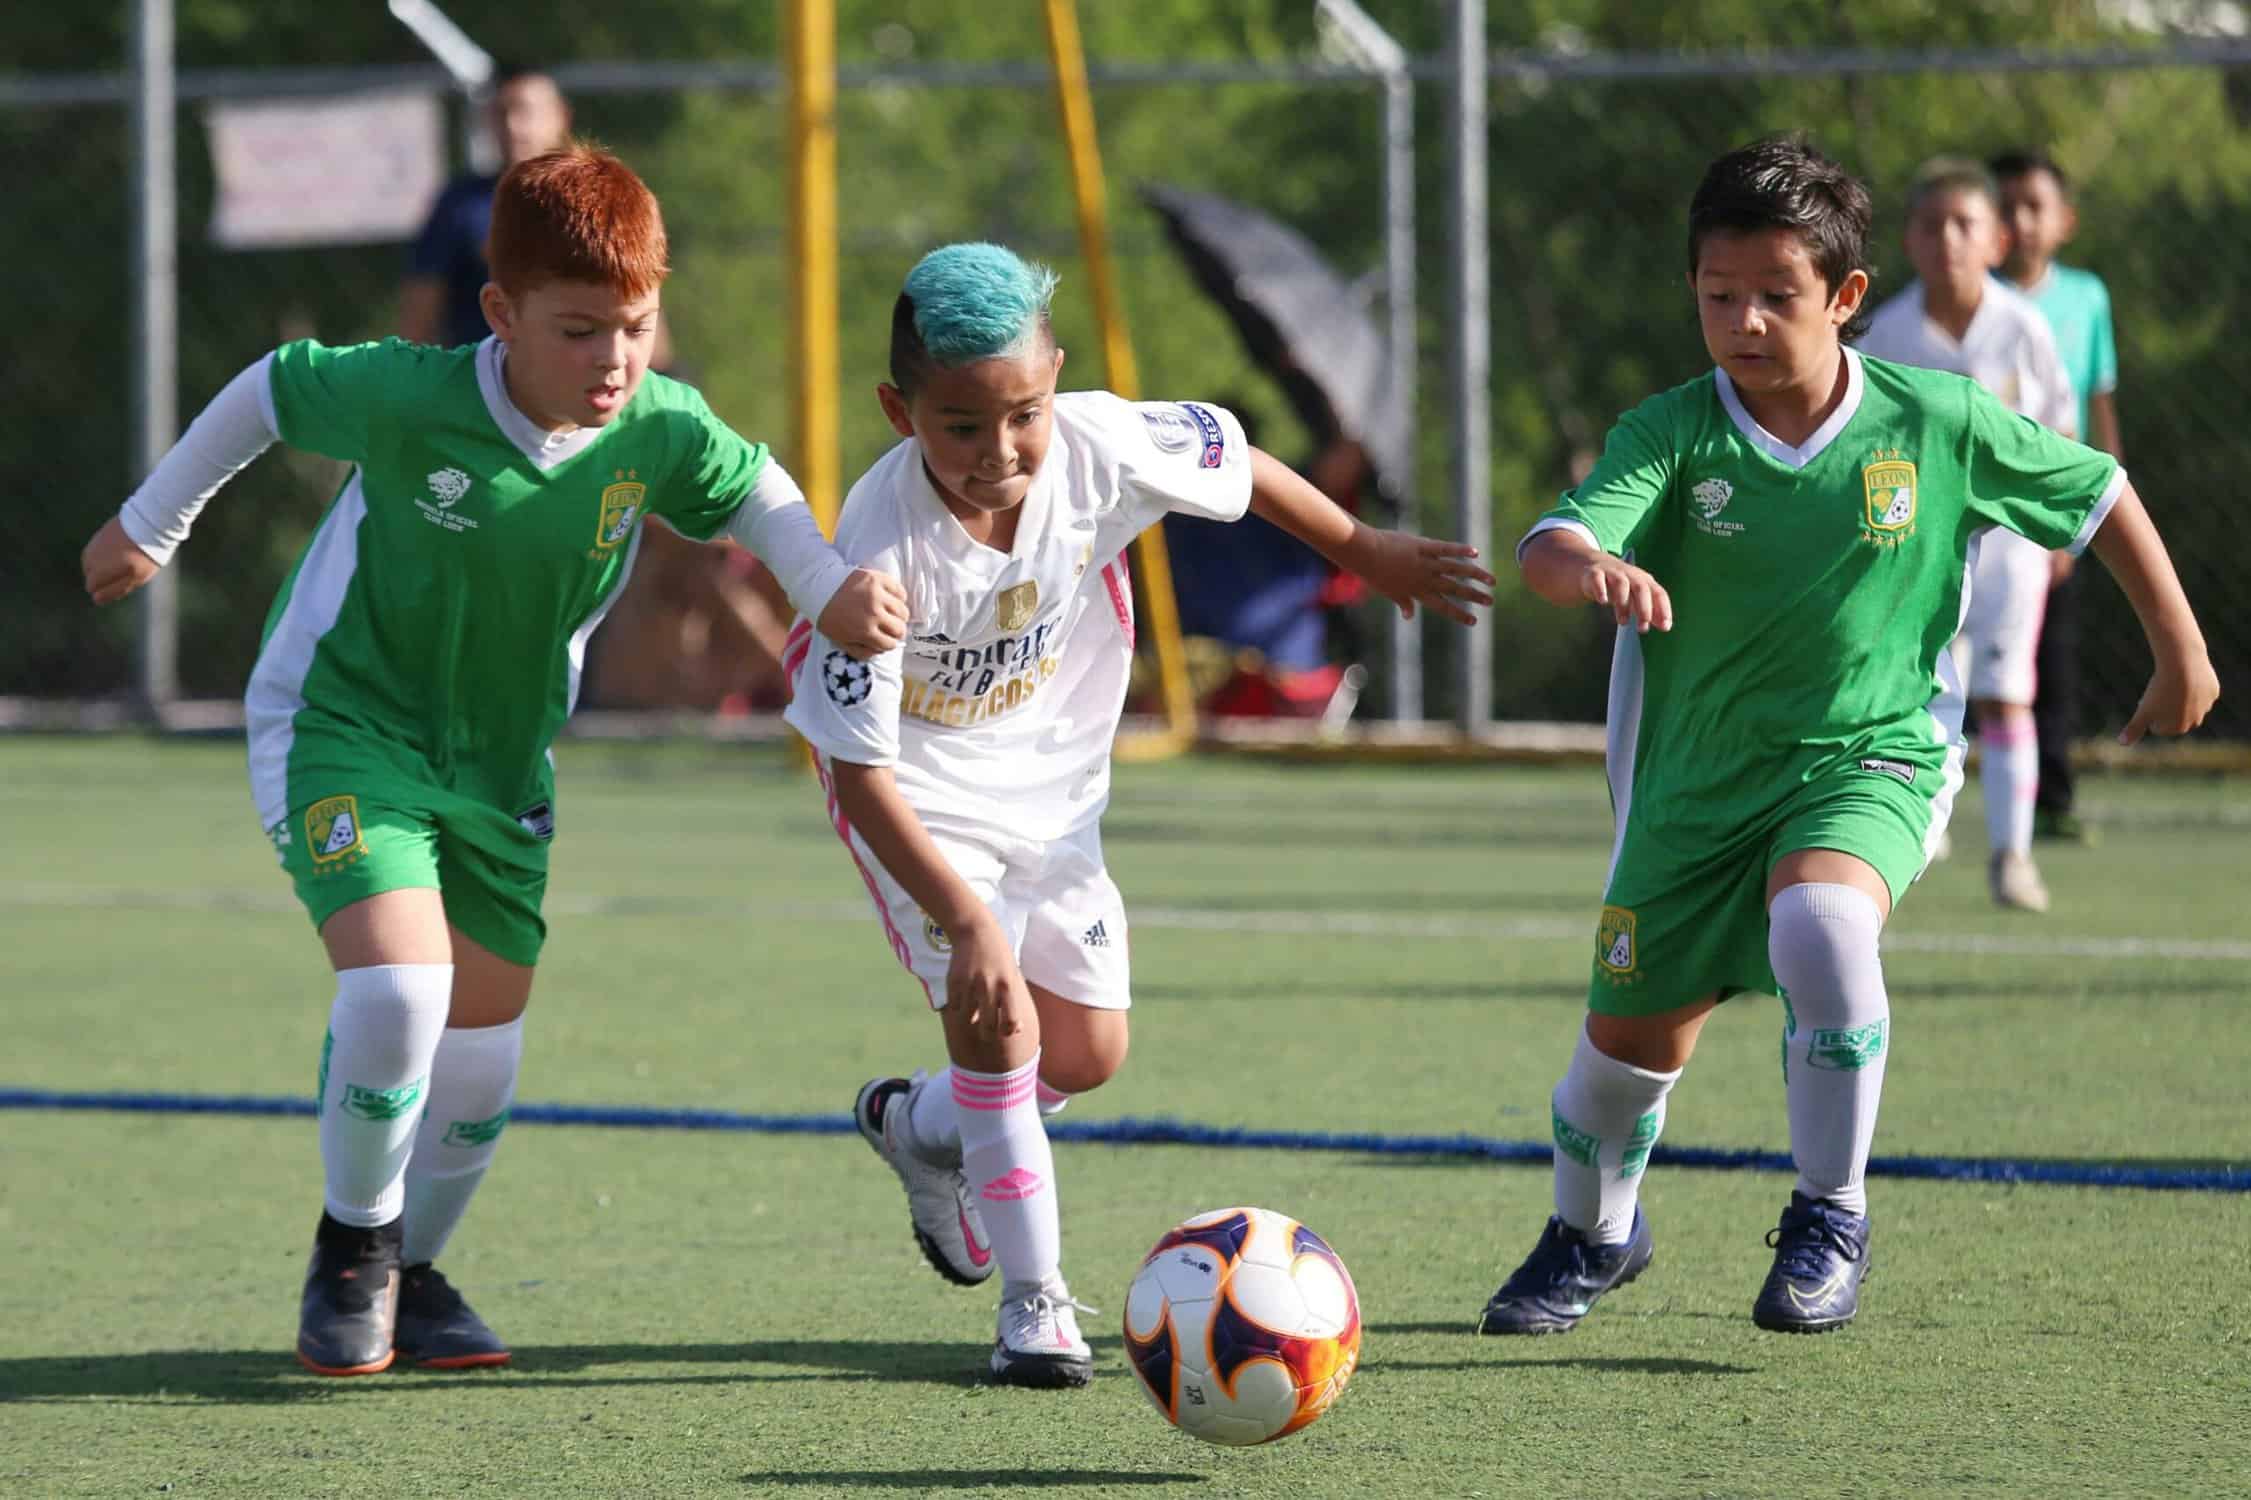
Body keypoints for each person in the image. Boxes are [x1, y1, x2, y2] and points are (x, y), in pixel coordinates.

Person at [78, 144, 910, 1376]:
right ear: (500, 314)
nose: (614, 361)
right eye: (578, 332)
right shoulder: (407, 395)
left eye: (634, 328)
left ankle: (410, 1278)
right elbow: (267, 388)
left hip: (502, 768)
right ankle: (354, 1250)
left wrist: (828, 583)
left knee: (481, 1054)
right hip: (342, 727)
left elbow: (756, 493)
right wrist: (151, 521)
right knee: (399, 995)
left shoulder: (658, 427)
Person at [1478, 136, 2214, 1340]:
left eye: (1776, 295)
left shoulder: (1936, 421)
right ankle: (1593, 1235)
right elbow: (1551, 547)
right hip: (1690, 791)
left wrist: (2178, 647)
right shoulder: (1669, 433)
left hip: (1869, 758)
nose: (1744, 322)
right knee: (1615, 1072)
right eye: (1720, 296)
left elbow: (2100, 493)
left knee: (1821, 923)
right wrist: (1589, 566)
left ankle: (1830, 1214)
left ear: (1846, 298)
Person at [783, 243, 1491, 1386]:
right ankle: (1034, 1309)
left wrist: (1362, 547)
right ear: (896, 410)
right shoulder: (877, 546)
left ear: (1055, 378)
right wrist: (963, 920)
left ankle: (918, 1129)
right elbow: (859, 774)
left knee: (1091, 1050)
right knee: (1003, 1032)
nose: (997, 452)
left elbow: (1243, 461)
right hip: (918, 792)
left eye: (1022, 414)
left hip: (1055, 785)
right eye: (957, 426)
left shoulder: (1100, 441)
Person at [1856, 157, 2079, 912]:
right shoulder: (1885, 334)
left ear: (1995, 239)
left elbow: (2061, 432)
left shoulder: (2022, 328)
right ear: (1908, 241)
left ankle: (2011, 857)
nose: (1947, 238)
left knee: (2004, 694)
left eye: (1964, 224)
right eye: (1930, 224)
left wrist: (2056, 536)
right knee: (1914, 696)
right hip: (1915, 550)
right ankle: (1912, 834)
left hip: (2009, 544)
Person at [1993, 148, 2122, 847]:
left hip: (2051, 511)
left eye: (2032, 205)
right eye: (2005, 206)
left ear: (2063, 220)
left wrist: (2096, 509)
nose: (2018, 220)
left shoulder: (2085, 296)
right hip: (1981, 510)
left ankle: (2053, 794)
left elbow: (2097, 400)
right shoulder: (1968, 300)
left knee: (2051, 657)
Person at [399, 67, 574, 351]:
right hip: (478, 386)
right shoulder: (459, 205)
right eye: (502, 112)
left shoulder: (594, 199)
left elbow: (635, 299)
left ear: (561, 116)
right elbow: (420, 309)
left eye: (526, 111)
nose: (513, 127)